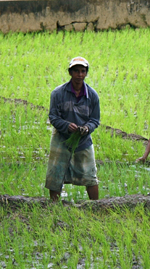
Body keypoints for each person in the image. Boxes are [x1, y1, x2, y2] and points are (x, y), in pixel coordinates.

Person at [45, 56, 100, 202]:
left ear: (86, 73)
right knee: (55, 174)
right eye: (76, 71)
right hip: (61, 139)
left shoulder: (92, 96)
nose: (79, 74)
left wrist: (87, 128)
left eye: (83, 71)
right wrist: (66, 126)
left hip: (83, 140)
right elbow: (53, 117)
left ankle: (96, 206)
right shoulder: (58, 93)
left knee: (90, 176)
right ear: (70, 72)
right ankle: (54, 206)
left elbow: (95, 120)